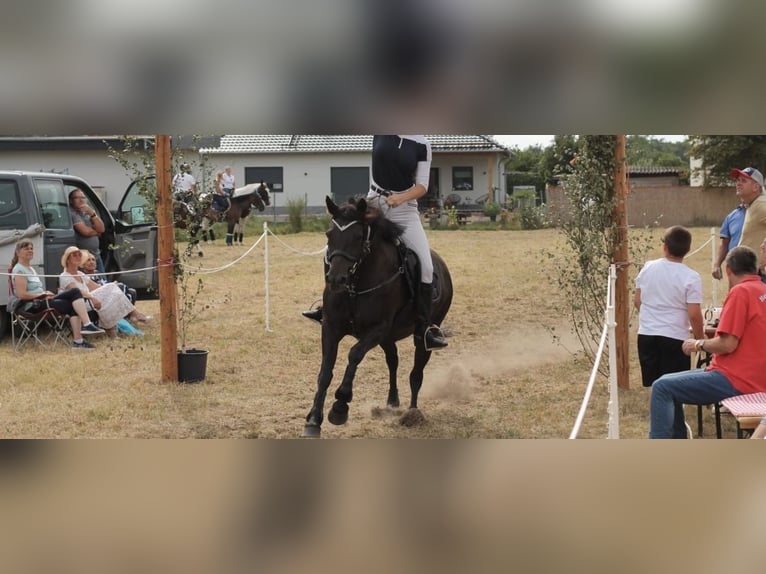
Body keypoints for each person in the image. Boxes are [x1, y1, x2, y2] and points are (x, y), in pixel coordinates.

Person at [302, 134, 447, 350]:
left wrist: (400, 197)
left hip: (404, 211)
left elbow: (422, 186)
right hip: (373, 203)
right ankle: (328, 308)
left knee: (426, 267)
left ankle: (424, 329)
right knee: (332, 250)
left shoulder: (422, 144)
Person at [649, 245, 766, 439]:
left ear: (728, 270)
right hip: (756, 376)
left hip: (737, 379)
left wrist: (697, 344)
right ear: (755, 269)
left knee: (662, 387)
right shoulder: (761, 289)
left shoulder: (740, 293)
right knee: (669, 383)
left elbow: (728, 344)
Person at [635, 226, 704, 394]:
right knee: (674, 387)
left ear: (664, 247)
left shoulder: (648, 267)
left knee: (655, 385)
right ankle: (674, 419)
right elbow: (694, 315)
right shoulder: (691, 277)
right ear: (688, 249)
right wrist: (700, 340)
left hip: (647, 334)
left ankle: (658, 417)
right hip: (674, 337)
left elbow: (638, 301)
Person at [9, 240, 104, 350]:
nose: (30, 250)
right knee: (75, 292)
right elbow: (22, 295)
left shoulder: (31, 269)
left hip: (42, 300)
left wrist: (44, 294)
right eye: (26, 249)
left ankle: (78, 341)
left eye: (31, 248)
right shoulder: (19, 269)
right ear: (18, 252)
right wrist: (42, 294)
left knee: (75, 302)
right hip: (32, 305)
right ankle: (87, 325)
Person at [59, 246, 150, 330]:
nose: (78, 257)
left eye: (80, 255)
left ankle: (122, 323)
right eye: (74, 255)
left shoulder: (80, 274)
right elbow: (77, 292)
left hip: (90, 299)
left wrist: (111, 288)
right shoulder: (65, 276)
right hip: (80, 304)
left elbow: (96, 287)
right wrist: (94, 297)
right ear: (67, 259)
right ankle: (134, 315)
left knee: (114, 289)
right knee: (112, 289)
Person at [731, 167, 766, 267]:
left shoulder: (761, 204)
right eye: (737, 180)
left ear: (756, 187)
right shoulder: (753, 204)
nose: (738, 183)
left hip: (758, 274)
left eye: (744, 180)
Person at [68, 188, 106, 275]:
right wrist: (97, 232)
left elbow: (102, 229)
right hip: (83, 258)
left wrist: (92, 213)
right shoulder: (72, 213)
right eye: (77, 198)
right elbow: (85, 232)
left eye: (83, 197)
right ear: (71, 201)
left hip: (95, 255)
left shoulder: (88, 212)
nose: (81, 200)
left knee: (102, 282)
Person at [712, 202, 745, 280]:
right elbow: (725, 244)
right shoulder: (732, 216)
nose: (738, 189)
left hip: (759, 271)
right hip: (736, 269)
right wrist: (717, 265)